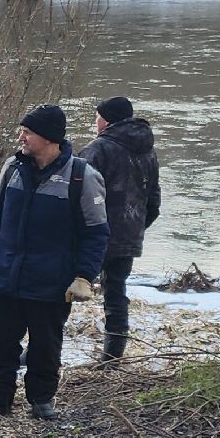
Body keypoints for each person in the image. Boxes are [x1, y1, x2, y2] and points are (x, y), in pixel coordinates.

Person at [0, 104, 108, 420]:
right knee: (0, 343)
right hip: (7, 275)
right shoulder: (13, 168)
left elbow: (97, 233)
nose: (21, 137)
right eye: (22, 131)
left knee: (45, 345)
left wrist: (84, 276)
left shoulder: (82, 177)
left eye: (28, 132)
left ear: (49, 138)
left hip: (51, 281)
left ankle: (41, 401)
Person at [76, 96, 161, 360]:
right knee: (116, 293)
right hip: (129, 236)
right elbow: (154, 201)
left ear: (108, 119)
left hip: (94, 235)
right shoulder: (148, 150)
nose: (95, 122)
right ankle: (113, 356)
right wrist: (136, 228)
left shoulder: (98, 149)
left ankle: (41, 349)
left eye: (98, 117)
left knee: (64, 289)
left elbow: (75, 190)